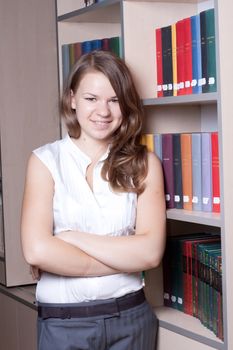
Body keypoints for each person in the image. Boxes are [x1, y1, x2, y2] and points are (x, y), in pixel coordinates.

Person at [21, 50, 166, 350]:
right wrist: (126, 259)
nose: (104, 111)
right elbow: (36, 251)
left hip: (131, 320)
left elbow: (151, 253)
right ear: (72, 99)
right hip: (62, 324)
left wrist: (68, 238)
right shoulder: (45, 161)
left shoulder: (145, 163)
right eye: (91, 99)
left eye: (114, 100)